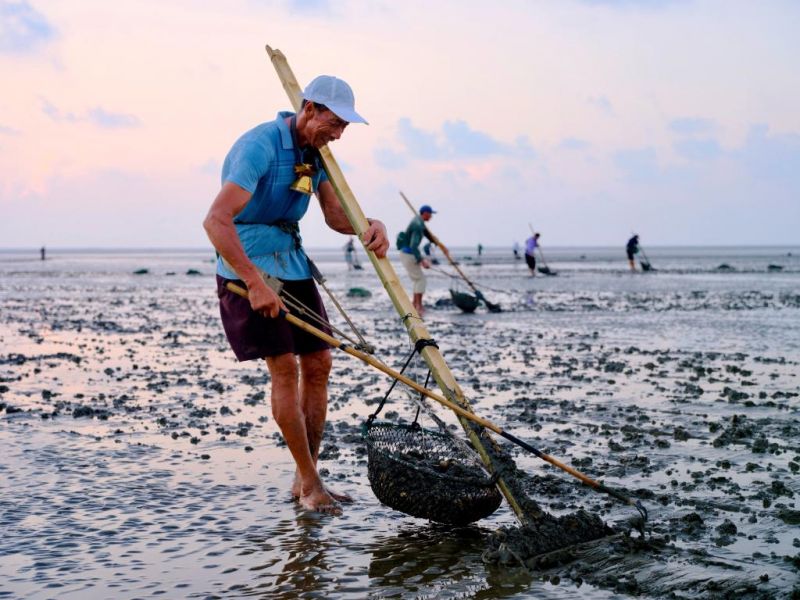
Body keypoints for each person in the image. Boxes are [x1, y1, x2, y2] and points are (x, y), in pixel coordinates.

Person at [203, 75, 389, 515]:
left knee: (320, 363)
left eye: (345, 127)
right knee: (284, 368)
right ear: (309, 109)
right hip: (246, 267)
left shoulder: (315, 154)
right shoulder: (260, 145)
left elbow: (332, 215)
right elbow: (216, 220)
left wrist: (369, 226)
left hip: (292, 263)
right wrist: (253, 282)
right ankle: (310, 485)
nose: (339, 134)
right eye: (335, 122)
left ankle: (306, 476)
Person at [398, 205, 447, 315]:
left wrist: (436, 242)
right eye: (430, 214)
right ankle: (418, 306)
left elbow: (427, 234)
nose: (431, 217)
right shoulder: (418, 225)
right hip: (408, 254)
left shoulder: (419, 221)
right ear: (425, 213)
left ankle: (415, 304)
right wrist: (421, 260)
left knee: (418, 280)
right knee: (421, 280)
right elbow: (414, 246)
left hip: (407, 253)